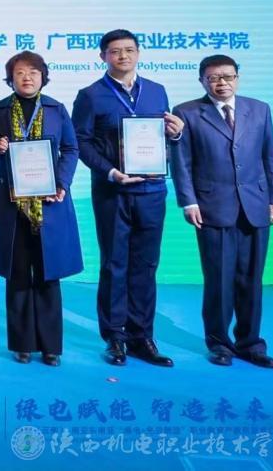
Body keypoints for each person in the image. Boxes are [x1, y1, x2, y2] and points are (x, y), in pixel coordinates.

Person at [72, 29, 184, 367]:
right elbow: (81, 143)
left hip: (152, 191)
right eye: (115, 51)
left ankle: (142, 336)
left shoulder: (156, 90)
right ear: (103, 56)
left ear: (138, 53)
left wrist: (176, 134)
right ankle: (115, 337)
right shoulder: (90, 95)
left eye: (129, 50)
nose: (123, 56)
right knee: (114, 264)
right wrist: (110, 172)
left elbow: (163, 136)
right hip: (113, 191)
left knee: (146, 265)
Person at [172, 55, 273, 368]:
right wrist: (188, 201)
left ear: (237, 78)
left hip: (255, 206)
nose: (221, 83)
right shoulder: (187, 112)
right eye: (213, 78)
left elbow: (270, 157)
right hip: (212, 208)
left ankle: (251, 344)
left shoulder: (259, 109)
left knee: (252, 280)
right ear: (202, 81)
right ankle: (219, 343)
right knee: (219, 281)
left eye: (228, 76)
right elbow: (182, 162)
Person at [0, 51, 81, 366]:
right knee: (18, 273)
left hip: (50, 204)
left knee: (49, 274)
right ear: (10, 79)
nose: (27, 77)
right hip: (10, 205)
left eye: (33, 72)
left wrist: (62, 183)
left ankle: (51, 346)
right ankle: (22, 343)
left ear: (43, 77)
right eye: (20, 72)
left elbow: (71, 148)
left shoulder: (56, 109)